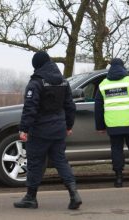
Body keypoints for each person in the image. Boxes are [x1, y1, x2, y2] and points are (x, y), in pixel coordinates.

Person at [14, 51, 82, 209]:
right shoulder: (63, 82)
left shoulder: (36, 83)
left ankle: (30, 198)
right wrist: (68, 126)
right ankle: (74, 194)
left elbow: (30, 108)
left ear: (37, 66)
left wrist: (24, 129)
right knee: (61, 161)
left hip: (40, 131)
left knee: (35, 163)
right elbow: (70, 106)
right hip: (59, 129)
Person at [95, 58, 129, 188]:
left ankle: (118, 179)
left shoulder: (103, 85)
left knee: (116, 150)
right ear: (123, 67)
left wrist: (100, 126)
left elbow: (98, 108)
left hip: (113, 124)